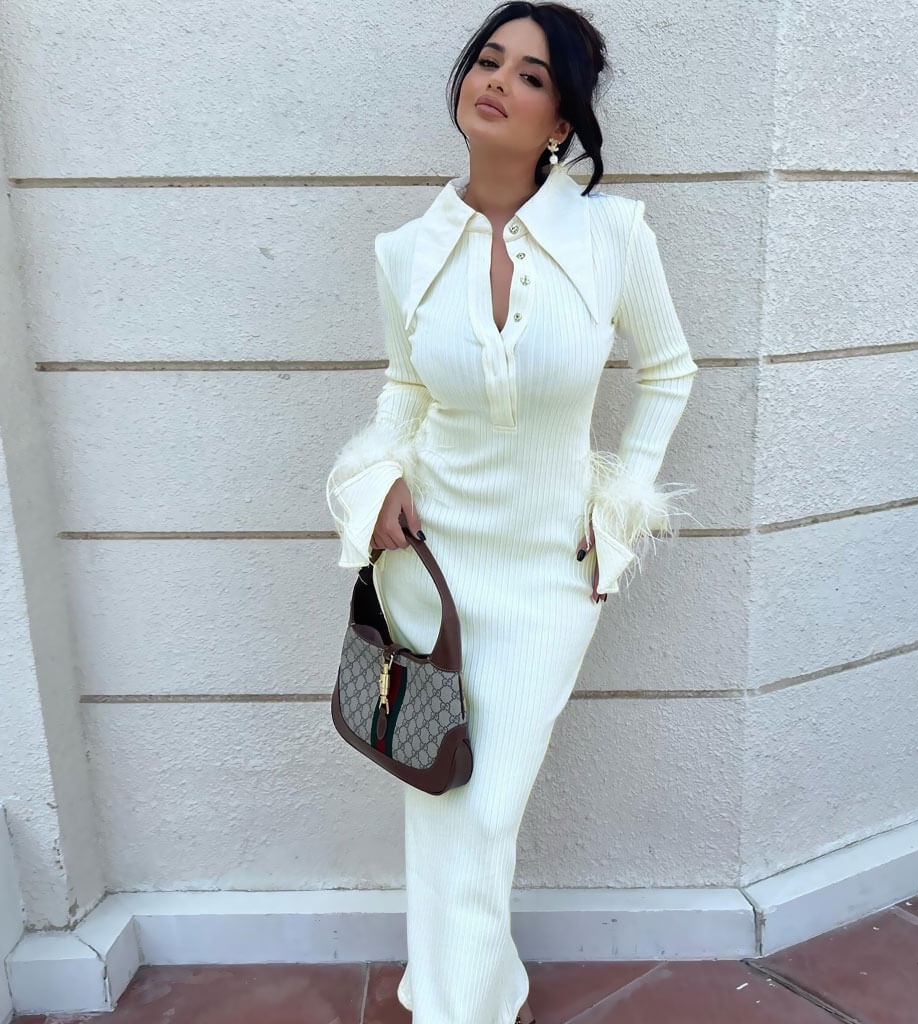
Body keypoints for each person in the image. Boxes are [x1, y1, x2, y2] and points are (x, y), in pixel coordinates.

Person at [325, 3, 699, 1021]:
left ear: (561, 121)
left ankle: (461, 994)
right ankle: (464, 1000)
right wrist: (378, 477)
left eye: (531, 75)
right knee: (440, 798)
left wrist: (621, 504)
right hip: (431, 565)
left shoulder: (613, 234)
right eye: (487, 60)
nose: (496, 80)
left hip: (546, 571)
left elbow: (669, 370)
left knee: (486, 810)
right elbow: (405, 388)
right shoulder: (403, 250)